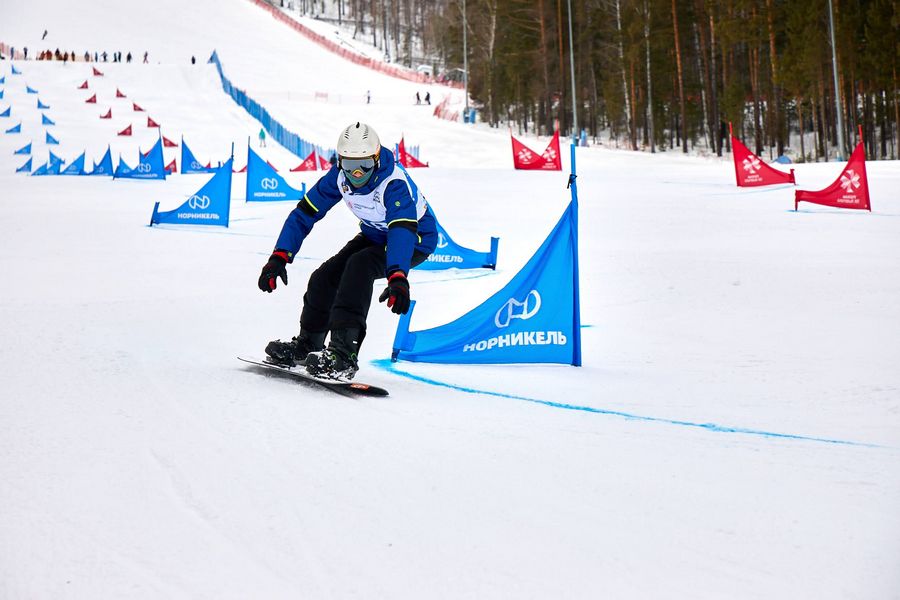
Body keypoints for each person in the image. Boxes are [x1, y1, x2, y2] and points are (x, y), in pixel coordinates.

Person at [258, 122, 437, 380]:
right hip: (375, 234)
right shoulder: (339, 177)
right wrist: (280, 255)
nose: (356, 174)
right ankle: (308, 345)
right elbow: (305, 213)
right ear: (340, 162)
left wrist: (397, 275)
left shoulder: (393, 183)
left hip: (415, 238)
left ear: (376, 159)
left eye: (364, 165)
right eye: (350, 165)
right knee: (324, 277)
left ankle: (343, 355)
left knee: (359, 267)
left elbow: (402, 229)